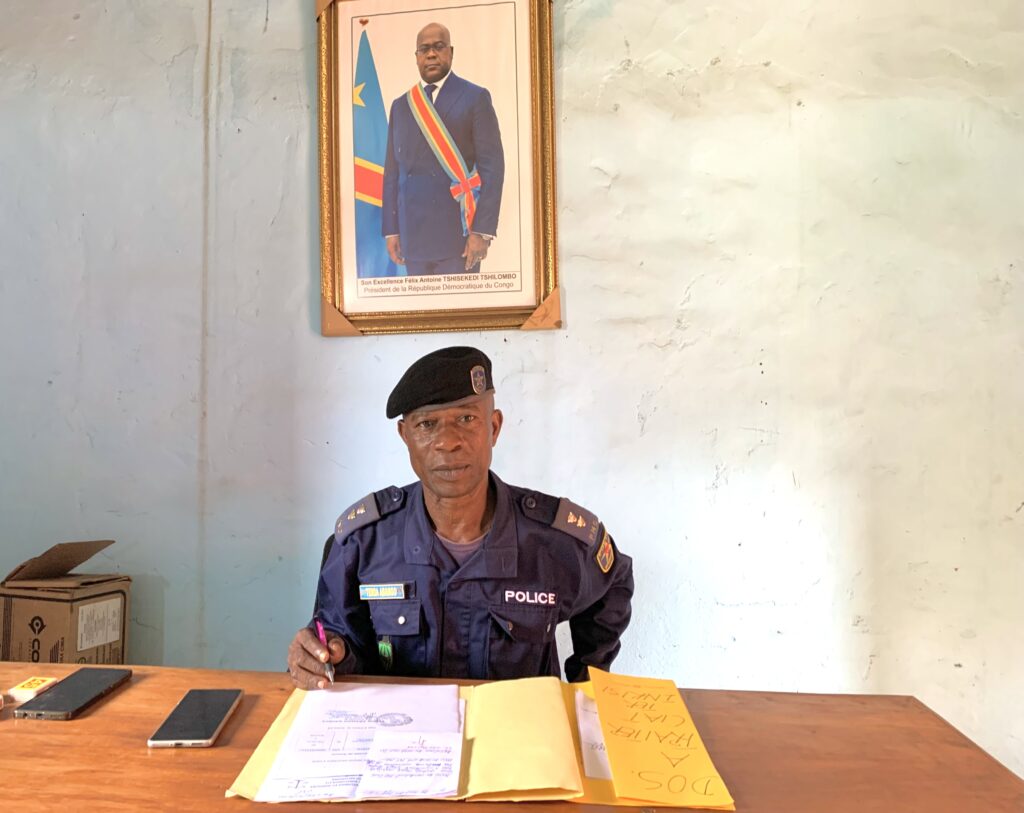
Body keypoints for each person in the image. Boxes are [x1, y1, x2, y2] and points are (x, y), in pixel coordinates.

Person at [287, 347, 633, 687]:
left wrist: (588, 683)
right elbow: (340, 640)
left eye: (466, 419)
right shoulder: (364, 542)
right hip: (404, 722)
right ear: (405, 436)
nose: (448, 442)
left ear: (494, 428)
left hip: (517, 724)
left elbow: (613, 584)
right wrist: (326, 657)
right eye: (427, 424)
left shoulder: (555, 541)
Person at [381, 22, 504, 276]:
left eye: (439, 47)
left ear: (451, 52)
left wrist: (481, 231)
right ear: (416, 57)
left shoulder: (475, 97)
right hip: (412, 237)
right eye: (424, 49)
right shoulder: (401, 106)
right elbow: (392, 173)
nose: (431, 54)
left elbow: (493, 169)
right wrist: (391, 230)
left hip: (459, 239)